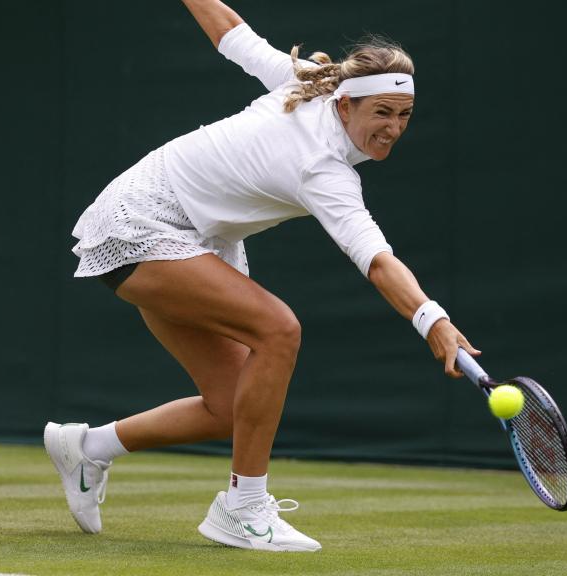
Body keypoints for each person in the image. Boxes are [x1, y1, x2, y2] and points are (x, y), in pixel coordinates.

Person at [44, 0, 480, 552]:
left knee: (230, 406)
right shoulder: (322, 165)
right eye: (382, 113)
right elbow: (376, 259)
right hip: (143, 222)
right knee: (279, 329)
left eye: (404, 116)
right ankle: (243, 506)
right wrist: (433, 320)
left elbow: (232, 34)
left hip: (196, 235)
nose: (393, 128)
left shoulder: (311, 85)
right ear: (346, 105)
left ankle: (88, 448)